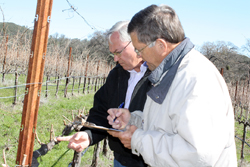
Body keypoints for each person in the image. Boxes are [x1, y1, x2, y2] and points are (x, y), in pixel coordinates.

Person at [107, 4, 237, 167]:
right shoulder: (170, 72)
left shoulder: (195, 79)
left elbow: (195, 155)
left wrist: (137, 140)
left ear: (161, 45)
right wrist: (132, 119)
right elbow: (168, 125)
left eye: (139, 49)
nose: (139, 55)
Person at [57, 21, 151, 167]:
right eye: (113, 54)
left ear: (136, 43)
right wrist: (88, 135)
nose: (115, 59)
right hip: (120, 160)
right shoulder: (116, 75)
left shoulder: (160, 76)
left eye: (118, 52)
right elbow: (101, 111)